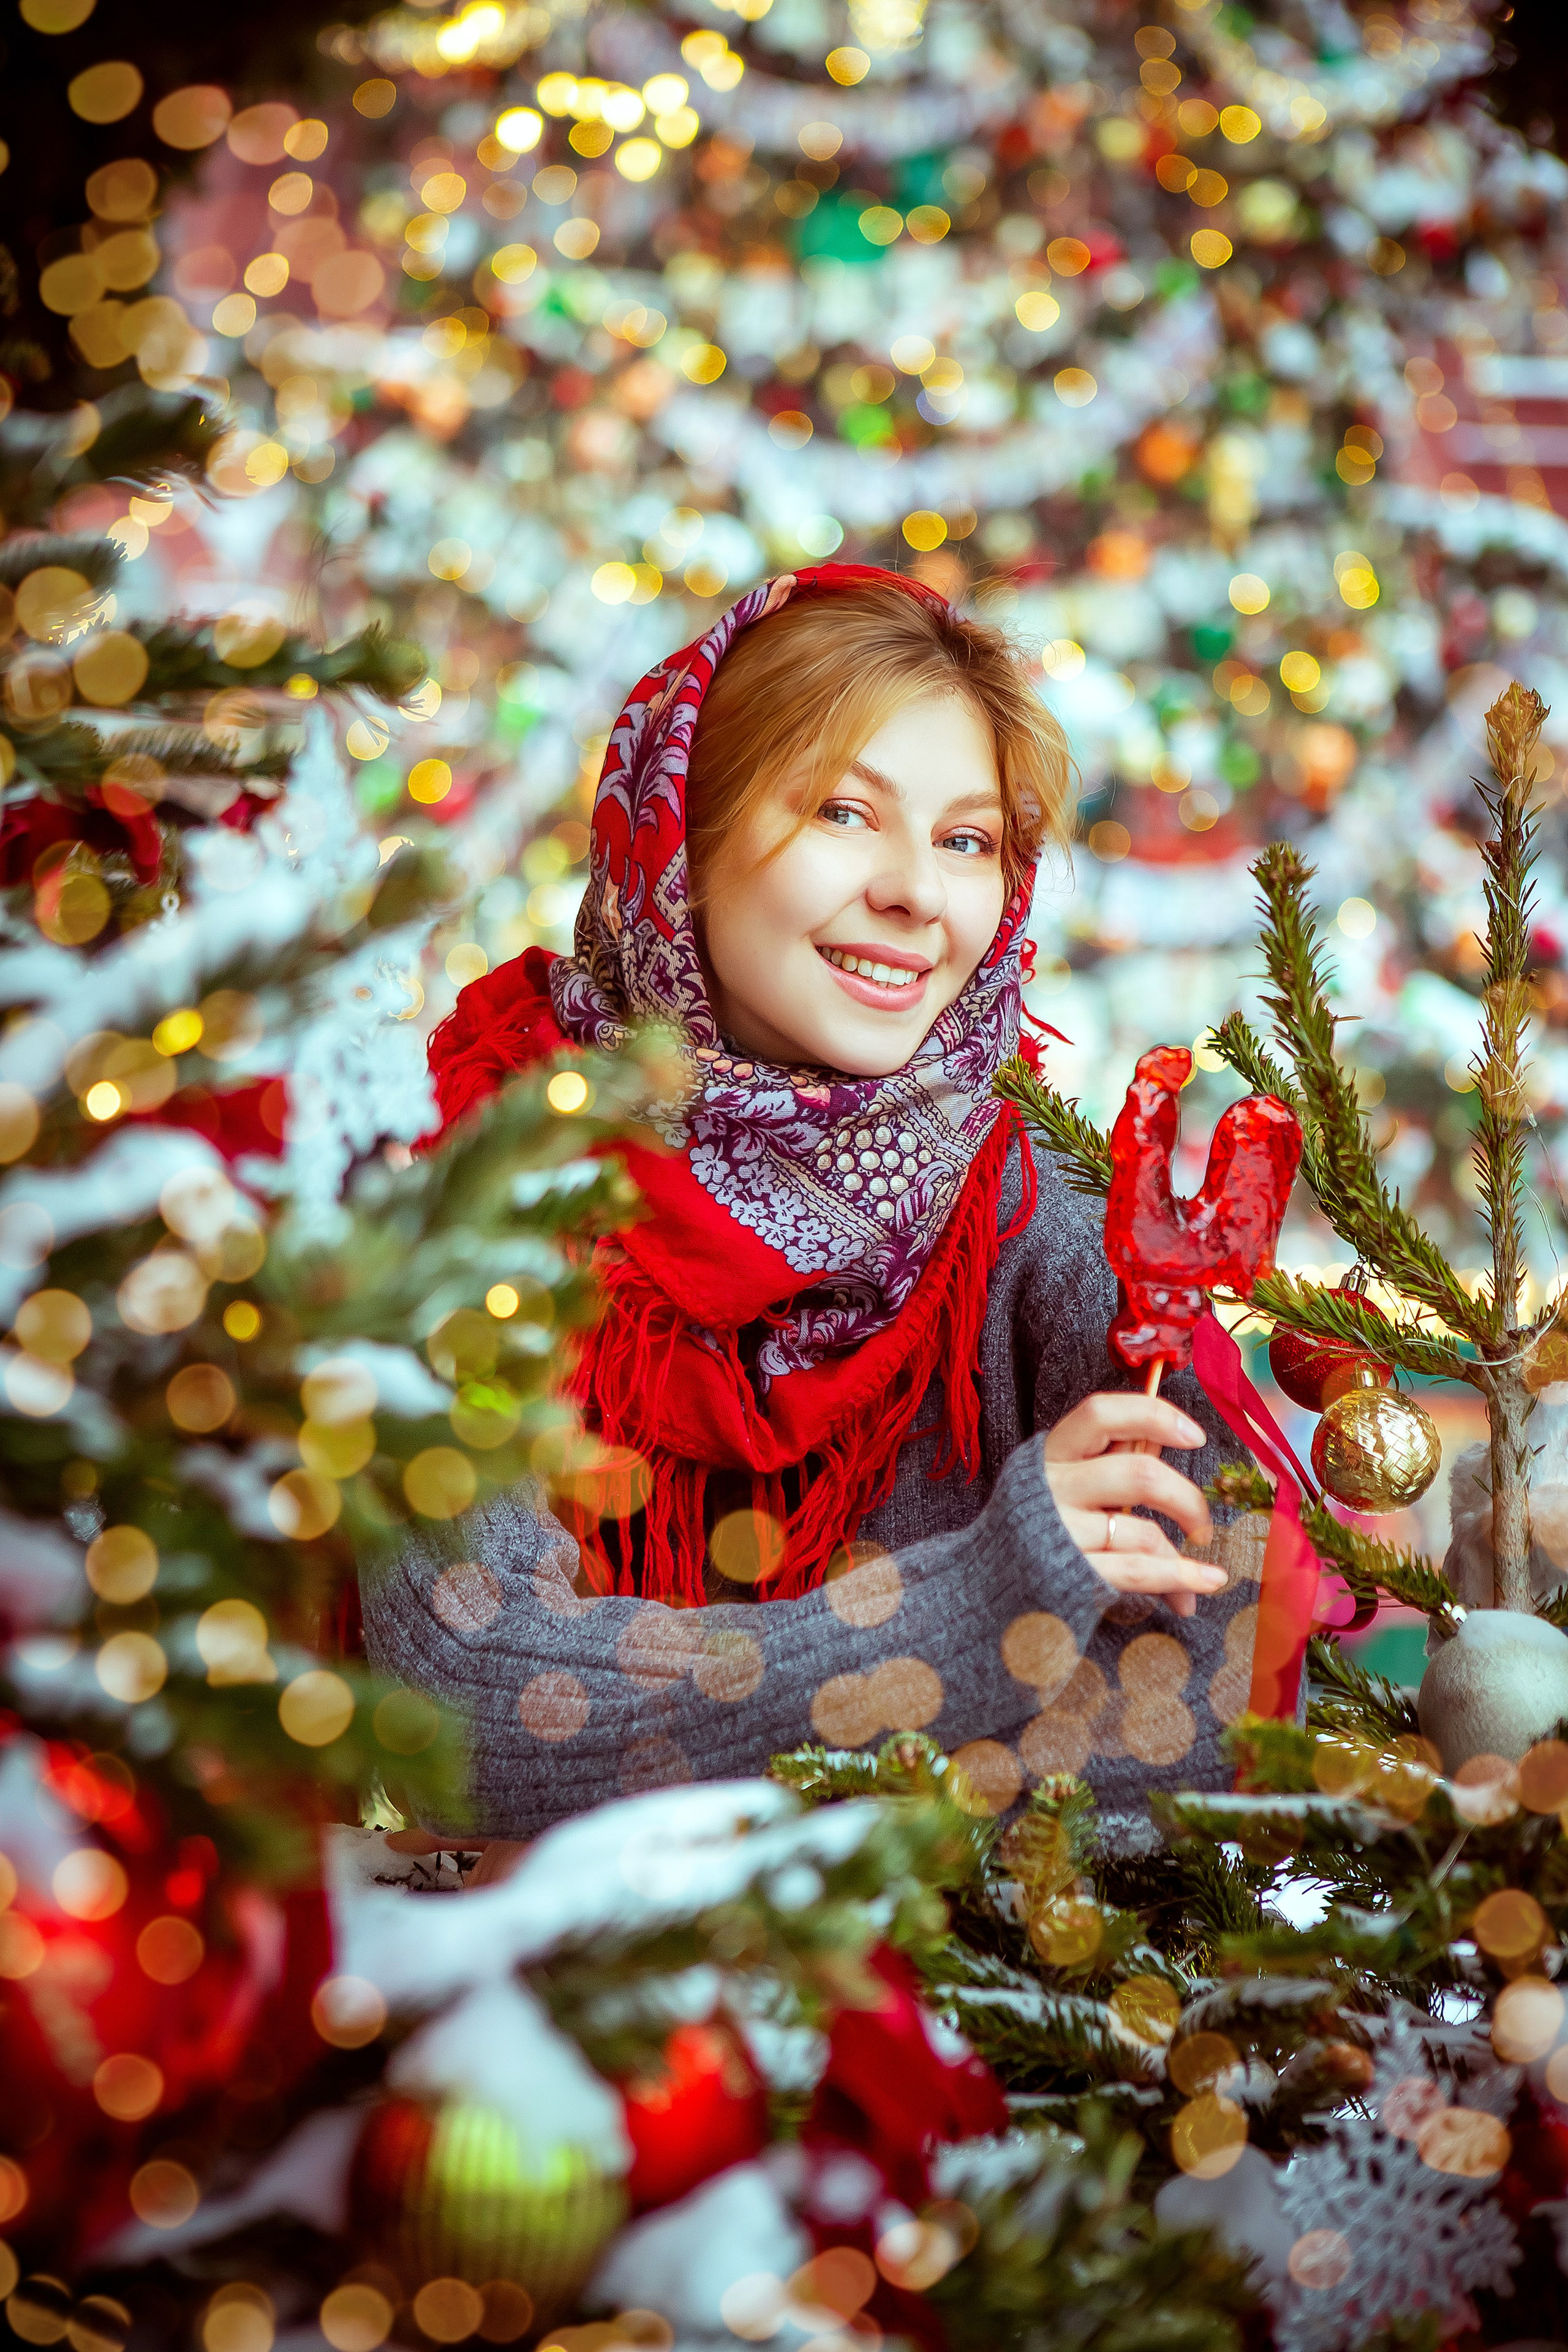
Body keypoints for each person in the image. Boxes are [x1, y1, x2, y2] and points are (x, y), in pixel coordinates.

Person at [362, 564, 1261, 1863]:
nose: (916, 893)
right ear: (683, 834)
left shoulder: (1032, 1213)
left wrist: (700, 1775)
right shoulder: (469, 1183)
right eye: (846, 812)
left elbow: (1201, 1724)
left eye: (966, 840)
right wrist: (992, 1608)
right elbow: (471, 1707)